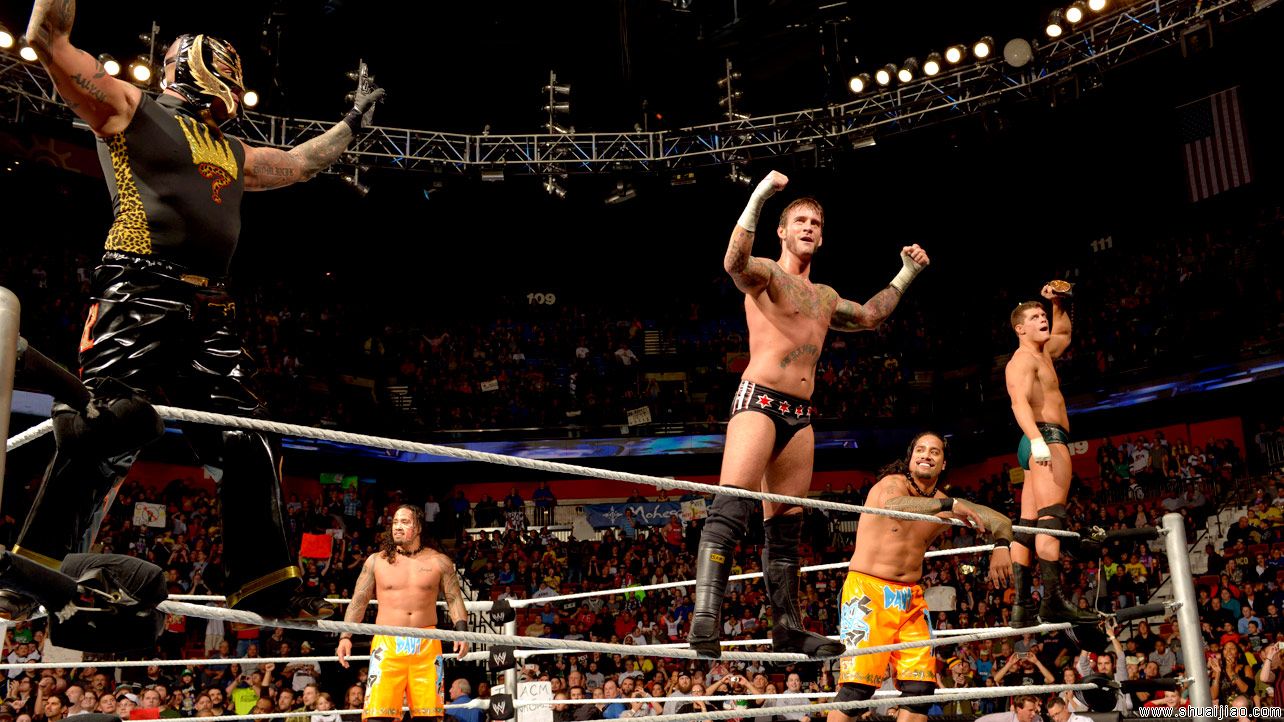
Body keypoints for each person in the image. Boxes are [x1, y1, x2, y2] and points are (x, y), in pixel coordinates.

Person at [4, 1, 384, 620]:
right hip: (139, 288)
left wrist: (351, 124)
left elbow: (301, 164)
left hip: (210, 306)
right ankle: (31, 577)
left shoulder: (231, 151)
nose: (234, 84)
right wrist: (50, 22)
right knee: (103, 425)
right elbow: (51, 43)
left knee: (247, 439)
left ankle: (265, 585)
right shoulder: (132, 107)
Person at [688, 170, 931, 658]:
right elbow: (733, 262)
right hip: (759, 400)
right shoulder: (766, 275)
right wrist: (759, 196)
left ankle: (787, 627)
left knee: (786, 526)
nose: (808, 227)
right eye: (799, 220)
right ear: (782, 231)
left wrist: (906, 273)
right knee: (731, 506)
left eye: (815, 223)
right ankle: (705, 619)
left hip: (800, 414)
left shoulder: (824, 297)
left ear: (822, 237)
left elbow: (869, 316)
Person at [827, 432, 1013, 722]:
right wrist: (949, 506)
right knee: (857, 690)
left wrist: (1001, 545)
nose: (926, 455)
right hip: (867, 591)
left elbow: (1000, 520)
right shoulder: (892, 485)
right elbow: (896, 506)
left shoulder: (945, 502)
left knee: (921, 689)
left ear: (943, 463)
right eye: (920, 450)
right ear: (910, 458)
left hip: (910, 597)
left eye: (934, 451)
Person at [1005, 287, 1098, 626]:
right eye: (1034, 317)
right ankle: (1052, 600)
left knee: (1028, 523)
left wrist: (1058, 302)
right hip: (1044, 437)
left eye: (1043, 315)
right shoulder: (1021, 361)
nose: (1042, 319)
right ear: (1020, 329)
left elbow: (1064, 334)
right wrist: (1037, 440)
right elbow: (1017, 402)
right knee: (1051, 517)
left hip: (1038, 439)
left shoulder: (1043, 353)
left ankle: (1021, 606)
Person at [337, 506, 469, 721]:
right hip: (387, 643)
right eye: (395, 522)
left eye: (405, 522)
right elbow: (359, 601)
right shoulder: (376, 561)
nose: (397, 527)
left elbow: (454, 598)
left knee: (428, 717)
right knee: (378, 716)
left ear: (418, 527)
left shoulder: (439, 562)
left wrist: (462, 631)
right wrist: (345, 636)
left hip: (427, 643)